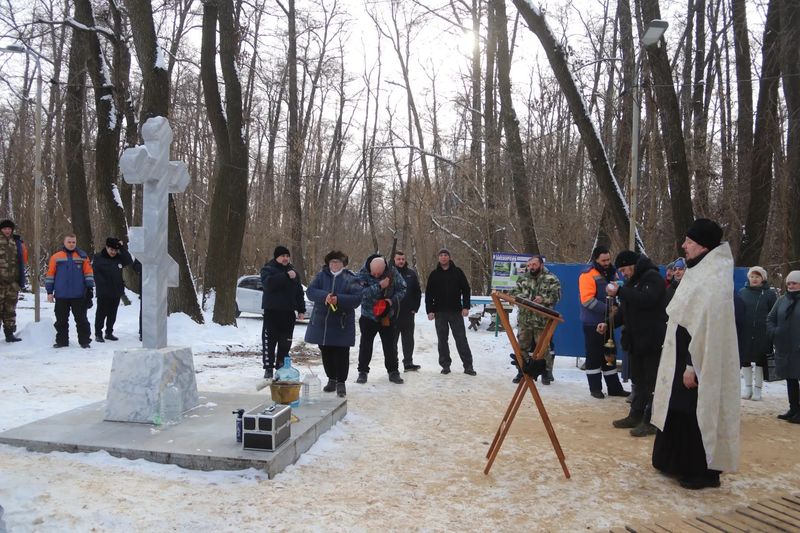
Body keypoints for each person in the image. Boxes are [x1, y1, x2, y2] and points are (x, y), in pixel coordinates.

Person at [652, 218, 740, 490]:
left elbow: (708, 328)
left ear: (702, 245)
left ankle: (701, 471)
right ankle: (673, 461)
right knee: (676, 409)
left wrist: (693, 366)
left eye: (689, 242)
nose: (684, 246)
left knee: (693, 412)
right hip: (681, 355)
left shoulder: (715, 279)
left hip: (699, 359)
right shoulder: (698, 269)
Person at [600, 250, 667, 437]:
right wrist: (609, 323)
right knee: (638, 380)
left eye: (624, 269)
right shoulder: (633, 281)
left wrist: (621, 291)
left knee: (652, 381)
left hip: (652, 339)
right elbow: (625, 309)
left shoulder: (653, 278)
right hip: (636, 340)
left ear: (633, 265)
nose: (623, 274)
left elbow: (646, 300)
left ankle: (652, 420)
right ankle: (635, 415)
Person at [304, 251, 363, 398]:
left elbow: (356, 299)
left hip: (341, 322)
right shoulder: (321, 276)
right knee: (326, 351)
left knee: (341, 353)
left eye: (337, 262)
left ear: (343, 264)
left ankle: (341, 382)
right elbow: (310, 292)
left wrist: (338, 299)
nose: (334, 265)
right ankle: (331, 379)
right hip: (322, 322)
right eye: (331, 262)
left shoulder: (351, 278)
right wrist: (325, 296)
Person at [578, 245, 628, 398]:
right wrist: (608, 309)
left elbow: (618, 293)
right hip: (593, 322)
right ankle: (595, 388)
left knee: (610, 354)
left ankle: (614, 388)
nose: (606, 262)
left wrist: (618, 306)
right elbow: (586, 300)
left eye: (608, 259)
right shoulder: (587, 275)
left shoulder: (613, 273)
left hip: (610, 321)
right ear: (596, 259)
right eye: (603, 260)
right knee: (594, 356)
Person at [509, 255, 561, 384]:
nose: (531, 267)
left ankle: (545, 372)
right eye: (529, 265)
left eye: (534, 265)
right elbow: (514, 293)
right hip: (525, 320)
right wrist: (523, 298)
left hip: (542, 321)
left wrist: (543, 299)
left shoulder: (551, 278)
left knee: (544, 348)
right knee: (522, 347)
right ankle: (521, 370)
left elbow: (557, 296)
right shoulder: (523, 278)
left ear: (541, 265)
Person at [355, 254, 406, 384]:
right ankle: (362, 372)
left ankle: (393, 371)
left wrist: (392, 300)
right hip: (368, 316)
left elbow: (402, 289)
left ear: (384, 268)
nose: (376, 276)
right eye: (374, 273)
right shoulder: (362, 273)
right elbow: (360, 293)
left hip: (387, 316)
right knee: (365, 345)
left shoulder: (392, 272)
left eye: (379, 273)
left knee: (390, 346)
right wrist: (379, 286)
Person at [425, 248, 476, 376]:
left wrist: (466, 307)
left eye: (446, 255)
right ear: (438, 258)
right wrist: (430, 310)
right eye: (441, 255)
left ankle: (468, 366)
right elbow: (429, 294)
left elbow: (466, 290)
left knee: (461, 339)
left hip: (455, 312)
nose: (443, 257)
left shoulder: (457, 272)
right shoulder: (434, 274)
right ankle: (445, 365)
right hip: (439, 313)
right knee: (442, 340)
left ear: (449, 257)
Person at [260, 246, 305, 379]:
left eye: (287, 255)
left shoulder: (294, 272)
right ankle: (268, 367)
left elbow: (299, 293)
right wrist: (285, 276)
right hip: (272, 312)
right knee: (270, 341)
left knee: (285, 342)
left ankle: (281, 366)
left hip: (288, 313)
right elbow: (268, 284)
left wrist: (301, 309)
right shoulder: (267, 269)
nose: (285, 258)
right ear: (276, 257)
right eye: (282, 256)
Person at [46, 233, 95, 348]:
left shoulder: (82, 256)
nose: (71, 244)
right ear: (64, 242)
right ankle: (62, 342)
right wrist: (49, 292)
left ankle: (84, 341)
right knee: (61, 321)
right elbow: (50, 275)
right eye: (69, 242)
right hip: (61, 295)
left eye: (73, 242)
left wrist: (89, 288)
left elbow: (88, 273)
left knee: (82, 320)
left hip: (79, 295)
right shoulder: (56, 257)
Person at [738, 266, 777, 401]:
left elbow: (774, 313)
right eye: (752, 276)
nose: (754, 279)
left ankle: (758, 390)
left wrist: (771, 330)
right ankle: (748, 388)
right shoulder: (742, 292)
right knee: (745, 360)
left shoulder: (769, 294)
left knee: (760, 361)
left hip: (762, 333)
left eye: (757, 276)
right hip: (745, 331)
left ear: (763, 278)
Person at [766, 270, 800, 423]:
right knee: (790, 378)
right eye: (789, 283)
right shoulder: (781, 300)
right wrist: (775, 332)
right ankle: (793, 409)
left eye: (795, 283)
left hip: (798, 347)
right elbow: (770, 319)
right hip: (784, 347)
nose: (791, 286)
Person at [91, 237, 133, 343]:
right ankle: (98, 334)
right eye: (111, 250)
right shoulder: (98, 257)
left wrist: (122, 248)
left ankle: (109, 332)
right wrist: (102, 285)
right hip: (104, 291)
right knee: (101, 313)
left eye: (115, 250)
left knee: (112, 314)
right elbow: (95, 273)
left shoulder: (119, 258)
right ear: (107, 247)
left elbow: (129, 260)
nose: (113, 252)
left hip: (116, 291)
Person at [393, 250, 422, 371]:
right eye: (398, 259)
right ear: (394, 260)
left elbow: (417, 292)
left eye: (403, 259)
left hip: (408, 313)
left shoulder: (411, 274)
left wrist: (415, 307)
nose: (401, 261)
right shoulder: (389, 273)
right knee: (392, 341)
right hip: (392, 314)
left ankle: (408, 363)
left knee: (408, 339)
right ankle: (393, 365)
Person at [0, 219, 27, 342]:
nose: (7, 230)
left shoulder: (16, 242)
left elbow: (22, 261)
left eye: (9, 228)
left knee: (10, 309)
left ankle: (9, 334)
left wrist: (20, 281)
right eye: (5, 228)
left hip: (12, 283)